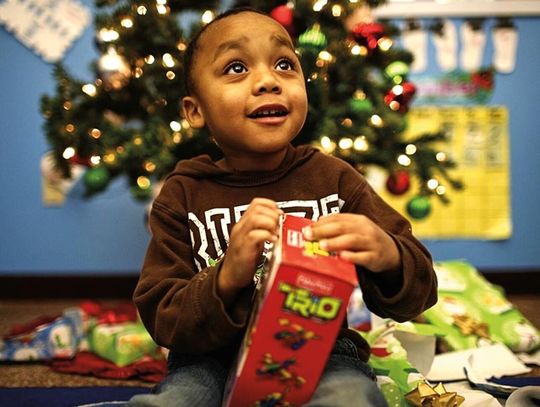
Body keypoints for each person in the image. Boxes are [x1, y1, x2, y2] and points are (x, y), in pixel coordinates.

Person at [128, 7, 437, 407]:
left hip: (321, 351)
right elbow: (161, 314)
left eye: (285, 64)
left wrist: (389, 255)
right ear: (195, 111)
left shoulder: (335, 179)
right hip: (206, 358)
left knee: (352, 398)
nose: (268, 81)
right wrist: (224, 278)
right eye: (237, 67)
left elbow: (421, 291)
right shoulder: (183, 193)